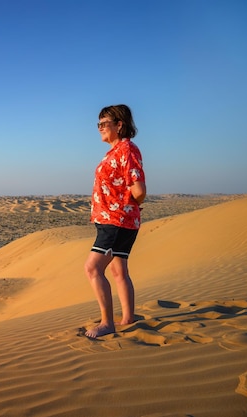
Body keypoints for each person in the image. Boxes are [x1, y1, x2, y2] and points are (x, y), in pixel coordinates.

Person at [84, 104, 146, 339]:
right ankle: (128, 318)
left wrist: (133, 202)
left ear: (119, 125)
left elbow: (138, 187)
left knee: (92, 268)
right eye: (98, 124)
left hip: (116, 220)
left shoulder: (126, 150)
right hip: (117, 219)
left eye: (104, 123)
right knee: (119, 269)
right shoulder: (116, 151)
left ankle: (107, 322)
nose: (99, 128)